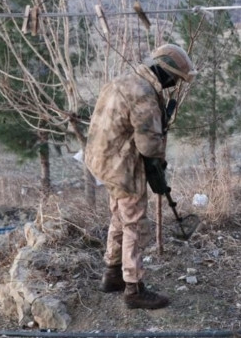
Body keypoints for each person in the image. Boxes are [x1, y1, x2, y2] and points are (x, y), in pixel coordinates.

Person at [84, 44, 197, 310]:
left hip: (101, 158)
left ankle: (112, 275)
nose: (174, 85)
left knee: (118, 214)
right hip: (121, 164)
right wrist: (159, 163)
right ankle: (134, 289)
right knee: (134, 222)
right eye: (176, 79)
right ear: (166, 73)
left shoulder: (126, 79)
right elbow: (148, 146)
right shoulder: (144, 94)